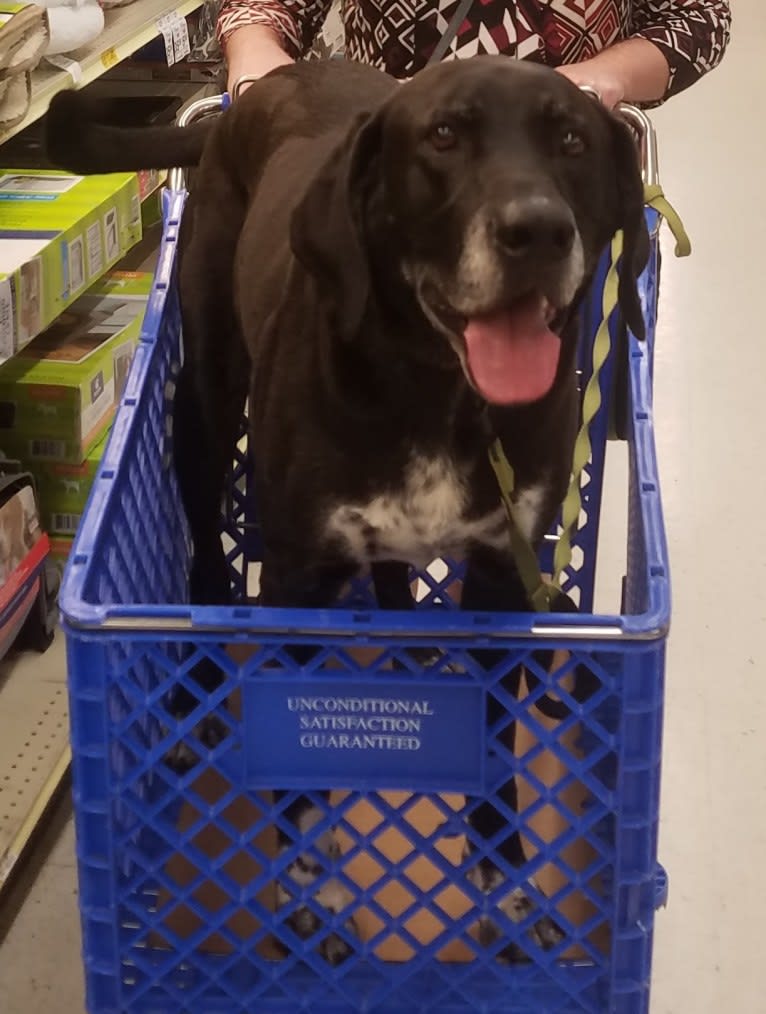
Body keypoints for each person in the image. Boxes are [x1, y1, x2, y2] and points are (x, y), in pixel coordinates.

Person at [216, 0, 730, 107]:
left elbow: (700, 17)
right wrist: (255, 56)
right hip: (397, 162)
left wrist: (604, 75)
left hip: (562, 171)